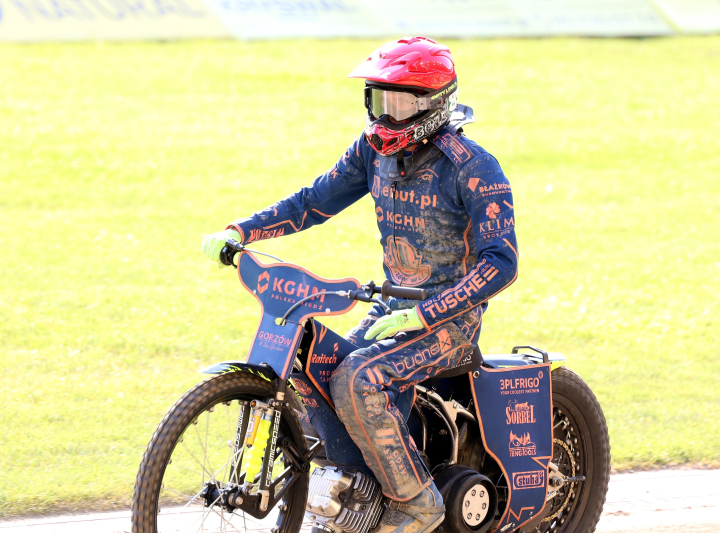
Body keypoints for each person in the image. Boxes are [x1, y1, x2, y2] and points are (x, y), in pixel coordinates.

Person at [202, 36, 518, 533]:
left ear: (434, 103)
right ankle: (357, 485)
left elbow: (502, 264)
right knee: (313, 360)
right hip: (391, 308)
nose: (386, 117)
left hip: (450, 322)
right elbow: (312, 201)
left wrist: (425, 314)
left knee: (358, 378)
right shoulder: (372, 153)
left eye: (401, 103)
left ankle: (417, 503)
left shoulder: (473, 166)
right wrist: (242, 229)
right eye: (379, 101)